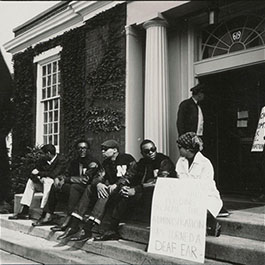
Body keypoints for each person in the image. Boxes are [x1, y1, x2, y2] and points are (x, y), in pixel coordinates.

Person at [94, 139, 177, 241]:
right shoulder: (141, 163)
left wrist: (136, 189)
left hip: (162, 193)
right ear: (142, 153)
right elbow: (129, 175)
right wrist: (122, 185)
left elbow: (160, 182)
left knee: (128, 195)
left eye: (153, 149)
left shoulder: (163, 161)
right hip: (144, 192)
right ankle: (111, 230)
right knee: (123, 193)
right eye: (147, 151)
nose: (151, 152)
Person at [57, 139, 136, 242]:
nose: (102, 152)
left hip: (126, 191)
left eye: (105, 149)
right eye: (102, 150)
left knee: (105, 192)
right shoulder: (106, 163)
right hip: (112, 191)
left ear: (115, 150)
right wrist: (98, 184)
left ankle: (87, 228)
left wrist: (117, 184)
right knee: (91, 188)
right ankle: (75, 223)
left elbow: (132, 174)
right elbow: (98, 176)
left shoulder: (127, 158)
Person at [32, 139, 100, 226]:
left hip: (88, 190)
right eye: (79, 148)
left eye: (84, 148)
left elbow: (85, 180)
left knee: (73, 187)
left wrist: (67, 179)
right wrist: (58, 178)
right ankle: (48, 215)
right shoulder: (75, 161)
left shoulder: (93, 162)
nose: (82, 150)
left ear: (88, 149)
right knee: (54, 185)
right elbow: (66, 173)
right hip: (76, 187)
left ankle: (69, 218)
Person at [175, 132, 223, 236]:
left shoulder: (205, 164)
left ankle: (211, 223)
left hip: (205, 197)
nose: (178, 150)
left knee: (199, 209)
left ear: (188, 149)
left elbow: (203, 188)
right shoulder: (180, 162)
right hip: (186, 196)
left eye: (180, 147)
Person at [9, 144, 66, 220]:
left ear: (48, 153)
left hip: (55, 187)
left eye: (43, 154)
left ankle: (44, 211)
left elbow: (53, 174)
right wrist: (38, 178)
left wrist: (40, 174)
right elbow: (33, 172)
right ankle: (25, 210)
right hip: (43, 184)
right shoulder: (42, 160)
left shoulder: (61, 160)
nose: (42, 156)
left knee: (48, 181)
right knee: (31, 182)